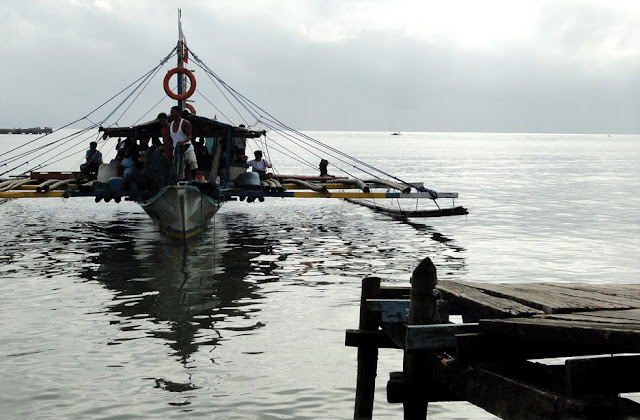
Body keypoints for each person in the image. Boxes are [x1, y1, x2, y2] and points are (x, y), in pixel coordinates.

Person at [169, 105, 198, 180]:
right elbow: (169, 140)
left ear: (178, 112)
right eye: (171, 113)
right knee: (179, 168)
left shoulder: (185, 123)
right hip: (177, 150)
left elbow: (189, 136)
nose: (171, 114)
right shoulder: (170, 125)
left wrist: (183, 141)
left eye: (173, 112)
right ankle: (180, 181)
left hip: (187, 148)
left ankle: (195, 178)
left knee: (192, 162)